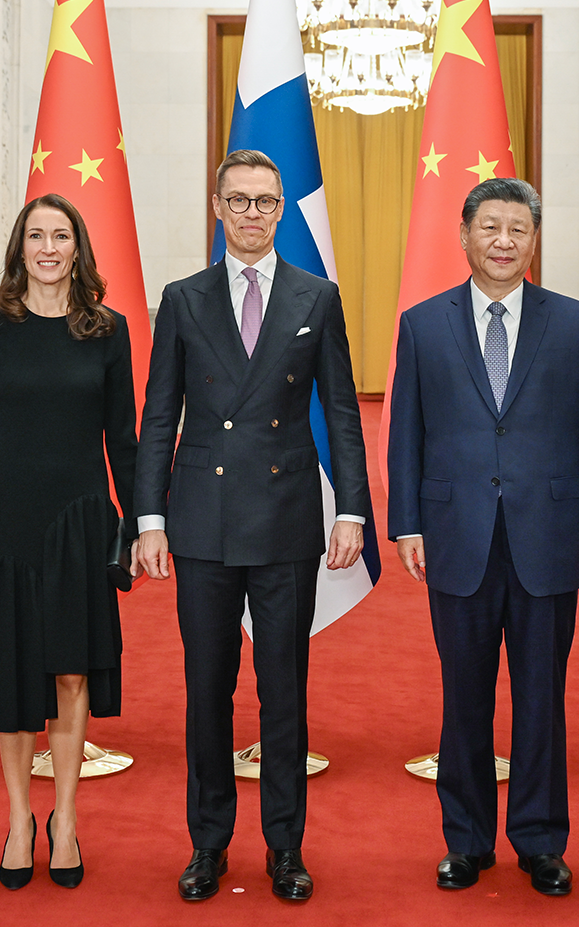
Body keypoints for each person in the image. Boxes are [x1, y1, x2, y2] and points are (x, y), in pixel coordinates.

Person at [133, 149, 372, 903]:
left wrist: (355, 508)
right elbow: (159, 412)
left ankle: (285, 846)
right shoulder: (182, 297)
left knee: (284, 693)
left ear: (281, 210)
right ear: (216, 206)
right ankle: (208, 844)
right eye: (237, 201)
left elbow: (340, 409)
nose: (251, 214)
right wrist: (149, 515)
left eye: (264, 201)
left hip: (284, 519)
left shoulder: (316, 297)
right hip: (200, 520)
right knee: (206, 692)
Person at [386, 178, 579, 896]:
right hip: (455, 535)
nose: (504, 241)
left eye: (518, 229)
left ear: (534, 240)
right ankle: (466, 840)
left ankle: (541, 839)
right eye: (491, 227)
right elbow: (406, 433)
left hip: (547, 536)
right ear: (465, 235)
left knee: (542, 697)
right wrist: (407, 522)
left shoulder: (574, 323)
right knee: (464, 697)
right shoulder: (423, 325)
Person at [0, 194, 138, 891]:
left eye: (61, 235)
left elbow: (122, 437)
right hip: (5, 526)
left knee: (69, 671)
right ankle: (17, 820)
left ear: (78, 248)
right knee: (12, 676)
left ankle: (63, 819)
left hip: (81, 524)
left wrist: (142, 520)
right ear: (20, 249)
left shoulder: (107, 330)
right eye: (36, 235)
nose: (49, 247)